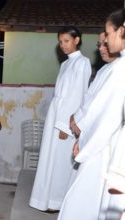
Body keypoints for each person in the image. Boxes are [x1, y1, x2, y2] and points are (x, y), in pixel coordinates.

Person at [59, 9, 125, 219]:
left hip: (106, 145)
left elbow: (107, 115)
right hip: (100, 138)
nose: (105, 40)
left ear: (121, 30)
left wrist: (84, 141)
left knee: (86, 200)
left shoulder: (120, 69)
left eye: (108, 33)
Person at [29, 26, 91, 211]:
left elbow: (78, 95)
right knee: (49, 158)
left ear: (77, 40)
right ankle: (45, 199)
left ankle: (57, 201)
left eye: (66, 41)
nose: (63, 45)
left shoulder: (83, 62)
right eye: (60, 42)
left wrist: (66, 125)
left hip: (65, 119)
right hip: (55, 114)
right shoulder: (65, 64)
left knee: (61, 163)